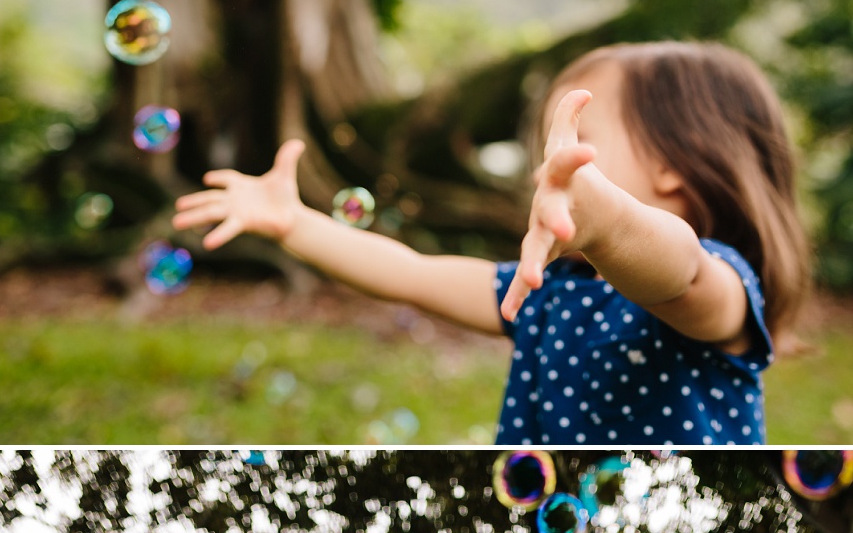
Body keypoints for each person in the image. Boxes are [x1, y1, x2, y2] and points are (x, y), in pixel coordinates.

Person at [173, 40, 810, 447]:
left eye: (578, 135)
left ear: (678, 162)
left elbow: (681, 272)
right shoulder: (544, 294)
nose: (548, 159)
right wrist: (296, 224)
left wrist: (612, 224)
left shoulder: (722, 292)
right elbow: (411, 273)